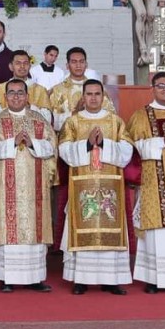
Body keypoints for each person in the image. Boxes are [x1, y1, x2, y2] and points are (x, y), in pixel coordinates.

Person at [59, 79, 134, 295]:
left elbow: (127, 151)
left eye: (97, 94)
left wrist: (103, 144)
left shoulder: (116, 122)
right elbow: (64, 151)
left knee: (110, 230)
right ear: (83, 97)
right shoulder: (73, 122)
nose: (93, 98)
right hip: (82, 186)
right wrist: (85, 143)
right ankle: (81, 280)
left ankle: (111, 280)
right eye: (89, 94)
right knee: (83, 230)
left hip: (111, 186)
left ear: (103, 96)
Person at [0, 79, 58, 293]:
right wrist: (12, 143)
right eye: (12, 93)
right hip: (6, 188)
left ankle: (35, 277)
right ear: (5, 97)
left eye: (20, 93)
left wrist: (34, 143)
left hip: (35, 187)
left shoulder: (39, 120)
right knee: (9, 229)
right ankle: (6, 277)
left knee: (34, 229)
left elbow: (53, 147)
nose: (16, 97)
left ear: (27, 97)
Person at [49, 47, 117, 246]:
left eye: (81, 61)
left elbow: (112, 119)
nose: (78, 65)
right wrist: (74, 113)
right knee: (67, 196)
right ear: (67, 64)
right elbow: (51, 121)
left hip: (100, 155)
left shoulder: (99, 90)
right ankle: (63, 237)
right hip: (72, 152)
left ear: (86, 63)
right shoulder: (58, 90)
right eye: (74, 61)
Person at [126, 72, 165, 293]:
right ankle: (153, 278)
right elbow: (134, 149)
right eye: (161, 85)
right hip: (154, 181)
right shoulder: (141, 116)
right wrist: (162, 142)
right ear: (152, 88)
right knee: (157, 230)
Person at [0, 50, 52, 123]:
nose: (22, 66)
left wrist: (30, 107)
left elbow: (47, 119)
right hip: (7, 131)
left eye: (25, 63)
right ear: (11, 66)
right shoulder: (0, 89)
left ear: (29, 66)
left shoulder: (40, 90)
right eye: (18, 63)